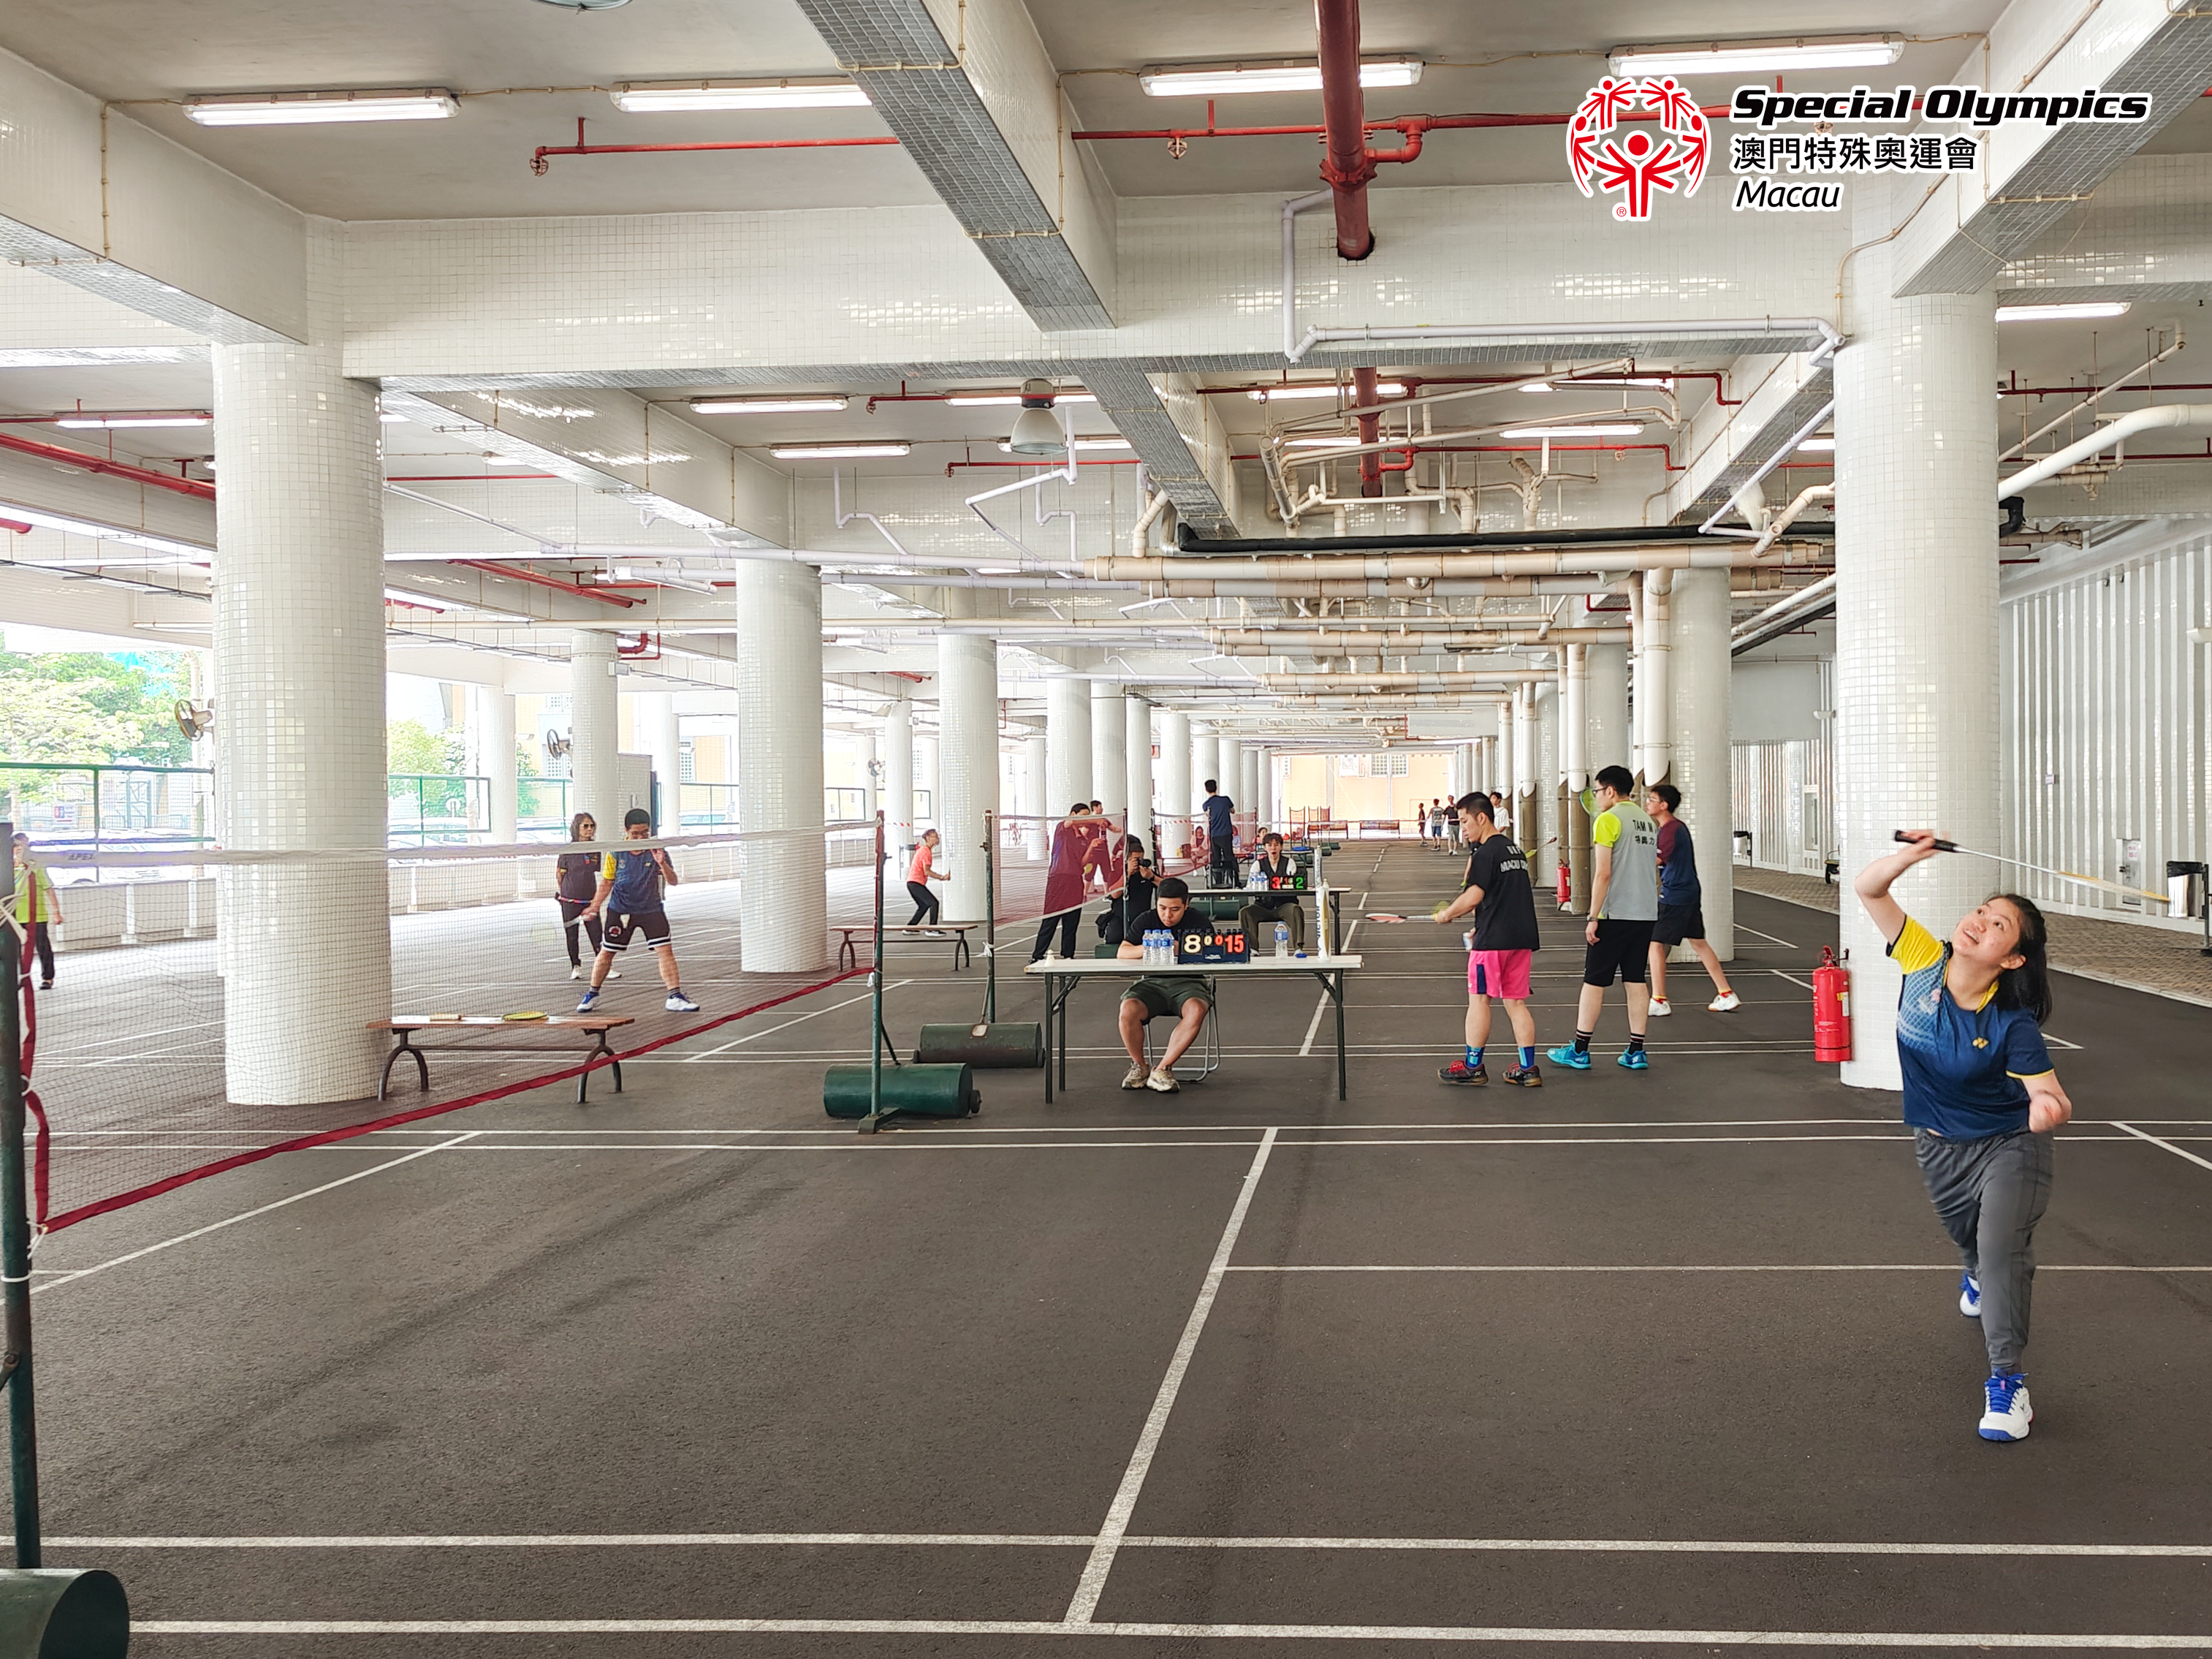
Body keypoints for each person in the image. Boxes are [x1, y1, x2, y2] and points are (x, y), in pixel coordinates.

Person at [1854, 830, 2073, 1443]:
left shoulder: (2011, 1024)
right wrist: (1910, 856)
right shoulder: (1923, 959)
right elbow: (1868, 888)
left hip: (2008, 1144)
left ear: (2013, 959)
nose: (1979, 922)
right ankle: (1974, 1270)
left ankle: (2007, 1383)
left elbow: (2050, 1096)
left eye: (1998, 925)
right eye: (1981, 910)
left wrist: (2046, 1110)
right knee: (1969, 1242)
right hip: (1936, 1143)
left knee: (2002, 1250)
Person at [1547, 764, 1659, 1071]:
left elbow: (1603, 873)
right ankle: (1636, 1051)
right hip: (1645, 913)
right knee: (1636, 980)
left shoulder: (1608, 819)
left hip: (1615, 914)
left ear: (1610, 790)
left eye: (1597, 791)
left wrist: (1593, 915)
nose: (1595, 797)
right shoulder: (1647, 821)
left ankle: (1580, 1050)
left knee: (1594, 981)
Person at [1432, 794, 1542, 1087]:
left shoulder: (1485, 853)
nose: (1463, 829)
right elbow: (1504, 897)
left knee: (1479, 999)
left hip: (1493, 942)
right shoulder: (1514, 851)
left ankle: (1473, 1067)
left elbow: (1474, 895)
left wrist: (1448, 914)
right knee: (1516, 1003)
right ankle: (1528, 1069)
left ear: (1482, 818)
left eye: (1465, 821)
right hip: (1520, 938)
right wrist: (1478, 925)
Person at [577, 808, 698, 1013]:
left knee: (665, 950)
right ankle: (592, 994)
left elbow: (673, 881)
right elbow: (607, 882)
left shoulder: (656, 849)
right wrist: (594, 906)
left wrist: (662, 864)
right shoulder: (616, 852)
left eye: (644, 833)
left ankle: (675, 997)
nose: (641, 838)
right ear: (627, 831)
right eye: (635, 834)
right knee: (607, 952)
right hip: (621, 909)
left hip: (651, 909)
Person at [1644, 782, 1739, 1015]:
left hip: (1676, 894)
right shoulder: (1671, 828)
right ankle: (1726, 994)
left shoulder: (1671, 830)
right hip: (1687, 892)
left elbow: (1655, 860)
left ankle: (1659, 1000)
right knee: (1698, 942)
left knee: (1655, 943)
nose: (1648, 803)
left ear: (1664, 805)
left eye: (1652, 799)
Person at [1115, 876, 1210, 1093]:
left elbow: (1213, 953)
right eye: (1162, 908)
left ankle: (1162, 1069)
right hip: (1152, 983)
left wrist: (1181, 949)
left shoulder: (1199, 921)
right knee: (1128, 1008)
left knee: (1196, 1010)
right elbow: (1122, 952)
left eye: (1175, 909)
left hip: (1189, 983)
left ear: (1186, 905)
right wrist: (1150, 946)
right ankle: (1140, 1066)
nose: (1167, 915)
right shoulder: (1146, 920)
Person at [556, 812, 616, 981]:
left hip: (590, 900)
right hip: (570, 900)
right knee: (572, 935)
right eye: (586, 826)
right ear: (577, 828)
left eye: (592, 826)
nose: (589, 829)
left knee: (597, 934)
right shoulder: (568, 850)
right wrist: (565, 892)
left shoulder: (594, 849)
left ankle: (604, 967)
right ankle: (575, 966)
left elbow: (593, 871)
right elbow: (560, 874)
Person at [1032, 802, 1095, 962]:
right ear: (1073, 814)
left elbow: (1082, 863)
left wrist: (1092, 847)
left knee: (1071, 922)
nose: (1085, 819)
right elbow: (1069, 822)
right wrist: (1096, 819)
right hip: (1058, 881)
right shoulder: (1063, 828)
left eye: (1087, 816)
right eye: (1083, 816)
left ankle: (1068, 956)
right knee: (1050, 920)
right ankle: (1037, 956)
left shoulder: (1083, 839)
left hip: (1075, 882)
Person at [1237, 830, 1306, 952]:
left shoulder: (1289, 863)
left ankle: (1298, 948)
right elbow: (1250, 885)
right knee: (1245, 912)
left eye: (1276, 845)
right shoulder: (1257, 865)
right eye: (1269, 845)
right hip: (1263, 905)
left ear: (1281, 847)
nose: (1273, 848)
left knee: (1296, 910)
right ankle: (1252, 949)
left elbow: (1294, 884)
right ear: (1265, 848)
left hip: (1285, 905)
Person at [9, 834, 58, 992]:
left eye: (24, 846)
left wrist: (56, 912)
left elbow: (49, 890)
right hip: (14, 916)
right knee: (12, 949)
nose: (20, 850)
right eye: (17, 847)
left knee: (43, 947)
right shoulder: (8, 869)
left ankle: (48, 977)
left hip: (37, 916)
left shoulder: (37, 867)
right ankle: (15, 979)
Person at [1100, 833, 1158, 949]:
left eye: (1141, 859)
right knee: (1114, 939)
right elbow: (1115, 894)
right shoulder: (1117, 872)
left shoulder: (1147, 873)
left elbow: (1167, 887)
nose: (1139, 862)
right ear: (1127, 860)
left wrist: (1152, 877)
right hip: (1120, 917)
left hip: (1142, 917)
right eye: (1136, 860)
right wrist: (1128, 874)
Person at [906, 829, 946, 930]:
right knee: (934, 903)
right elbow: (927, 871)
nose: (938, 838)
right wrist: (941, 877)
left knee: (923, 905)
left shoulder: (924, 850)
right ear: (928, 838)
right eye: (935, 836)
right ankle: (932, 929)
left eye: (938, 836)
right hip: (915, 883)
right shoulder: (925, 851)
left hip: (913, 883)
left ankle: (910, 927)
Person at [1201, 779, 1238, 887]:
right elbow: (1233, 811)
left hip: (1214, 835)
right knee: (1229, 857)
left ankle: (1217, 883)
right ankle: (1235, 881)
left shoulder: (1206, 804)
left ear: (1206, 790)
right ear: (1216, 787)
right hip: (1226, 833)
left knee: (1216, 859)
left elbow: (1208, 816)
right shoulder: (1226, 800)